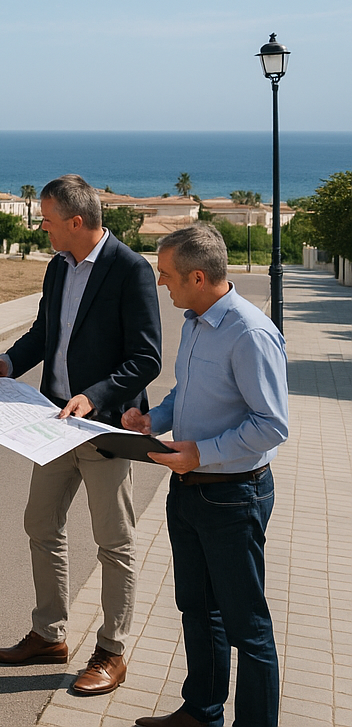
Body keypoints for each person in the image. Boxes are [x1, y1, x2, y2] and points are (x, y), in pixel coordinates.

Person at [0, 174, 161, 697]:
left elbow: (147, 357)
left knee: (114, 543)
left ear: (77, 222)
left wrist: (98, 395)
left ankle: (111, 651)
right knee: (41, 523)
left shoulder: (130, 270)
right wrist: (9, 361)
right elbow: (46, 332)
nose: (43, 229)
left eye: (48, 220)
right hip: (52, 424)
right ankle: (48, 634)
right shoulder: (58, 268)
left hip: (102, 429)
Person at [123, 223, 288, 727]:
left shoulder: (251, 333)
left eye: (166, 273)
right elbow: (186, 393)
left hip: (234, 497)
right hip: (189, 492)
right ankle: (201, 712)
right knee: (197, 609)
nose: (159, 281)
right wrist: (157, 420)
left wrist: (202, 453)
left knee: (247, 627)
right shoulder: (196, 321)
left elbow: (271, 425)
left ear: (198, 276)